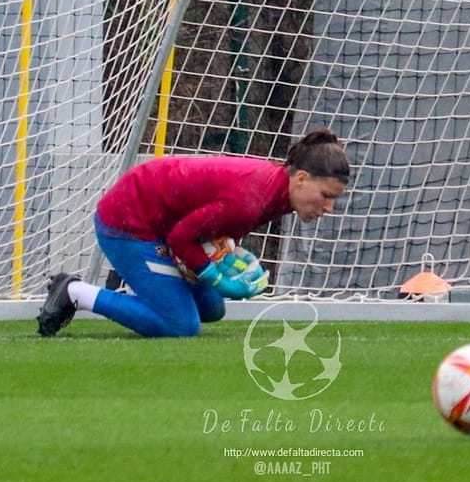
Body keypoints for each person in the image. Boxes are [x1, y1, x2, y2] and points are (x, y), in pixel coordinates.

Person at [36, 128, 351, 338]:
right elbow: (180, 238)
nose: (329, 208)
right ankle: (74, 291)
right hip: (128, 221)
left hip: (159, 221)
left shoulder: (277, 191)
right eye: (326, 196)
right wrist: (216, 277)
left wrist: (223, 255)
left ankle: (135, 286)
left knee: (212, 309)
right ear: (302, 179)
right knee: (181, 326)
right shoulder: (251, 200)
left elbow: (208, 229)